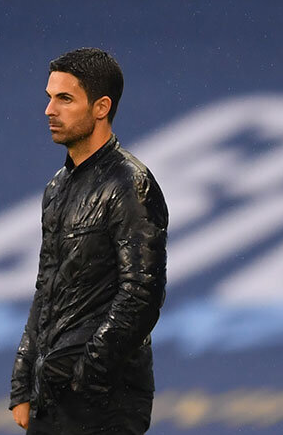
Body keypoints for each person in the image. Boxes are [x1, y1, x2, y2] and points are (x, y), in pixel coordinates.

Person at [9, 48, 168, 434]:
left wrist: (88, 374)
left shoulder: (131, 184)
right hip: (54, 392)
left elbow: (141, 294)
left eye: (65, 98)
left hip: (105, 399)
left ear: (101, 107)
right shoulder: (56, 188)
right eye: (49, 97)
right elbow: (46, 288)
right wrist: (24, 380)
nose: (49, 110)